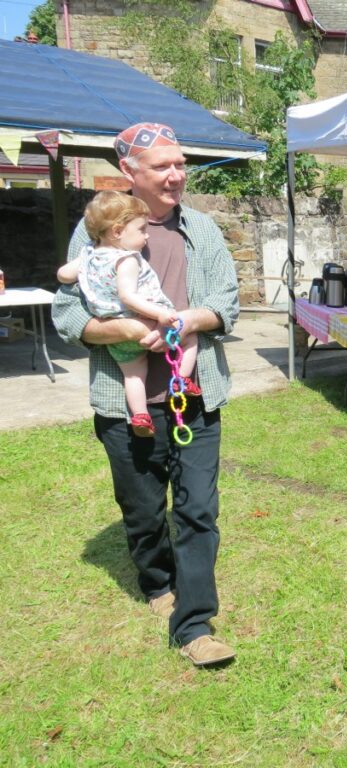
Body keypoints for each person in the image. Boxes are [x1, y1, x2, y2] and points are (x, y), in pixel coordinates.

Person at [51, 122, 240, 666]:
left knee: (199, 509)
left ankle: (195, 623)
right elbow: (68, 315)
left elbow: (226, 301)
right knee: (141, 510)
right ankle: (157, 582)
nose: (176, 174)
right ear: (131, 173)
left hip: (195, 396)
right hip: (125, 403)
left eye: (180, 163)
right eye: (162, 166)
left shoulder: (201, 228)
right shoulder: (97, 230)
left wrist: (187, 320)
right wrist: (129, 332)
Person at [56, 191, 199, 438]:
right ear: (117, 232)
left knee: (133, 375)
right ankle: (182, 380)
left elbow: (63, 275)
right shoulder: (127, 260)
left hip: (113, 330)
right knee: (190, 339)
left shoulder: (89, 254)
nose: (146, 235)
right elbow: (128, 296)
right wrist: (162, 314)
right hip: (142, 318)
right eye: (142, 230)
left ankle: (139, 415)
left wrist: (77, 269)